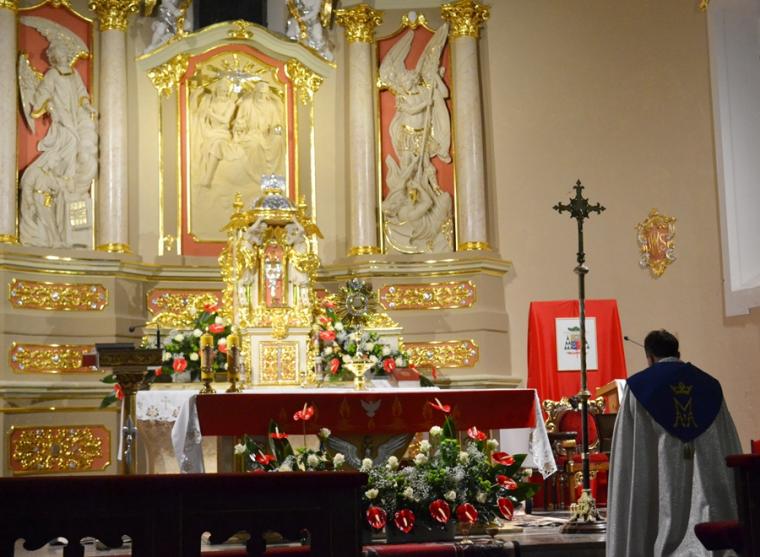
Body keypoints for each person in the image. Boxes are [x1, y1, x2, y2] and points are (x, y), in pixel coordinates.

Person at [607, 329, 741, 557]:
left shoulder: (640, 387)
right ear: (678, 354)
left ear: (650, 358)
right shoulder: (709, 386)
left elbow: (629, 457)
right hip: (709, 515)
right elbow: (726, 444)